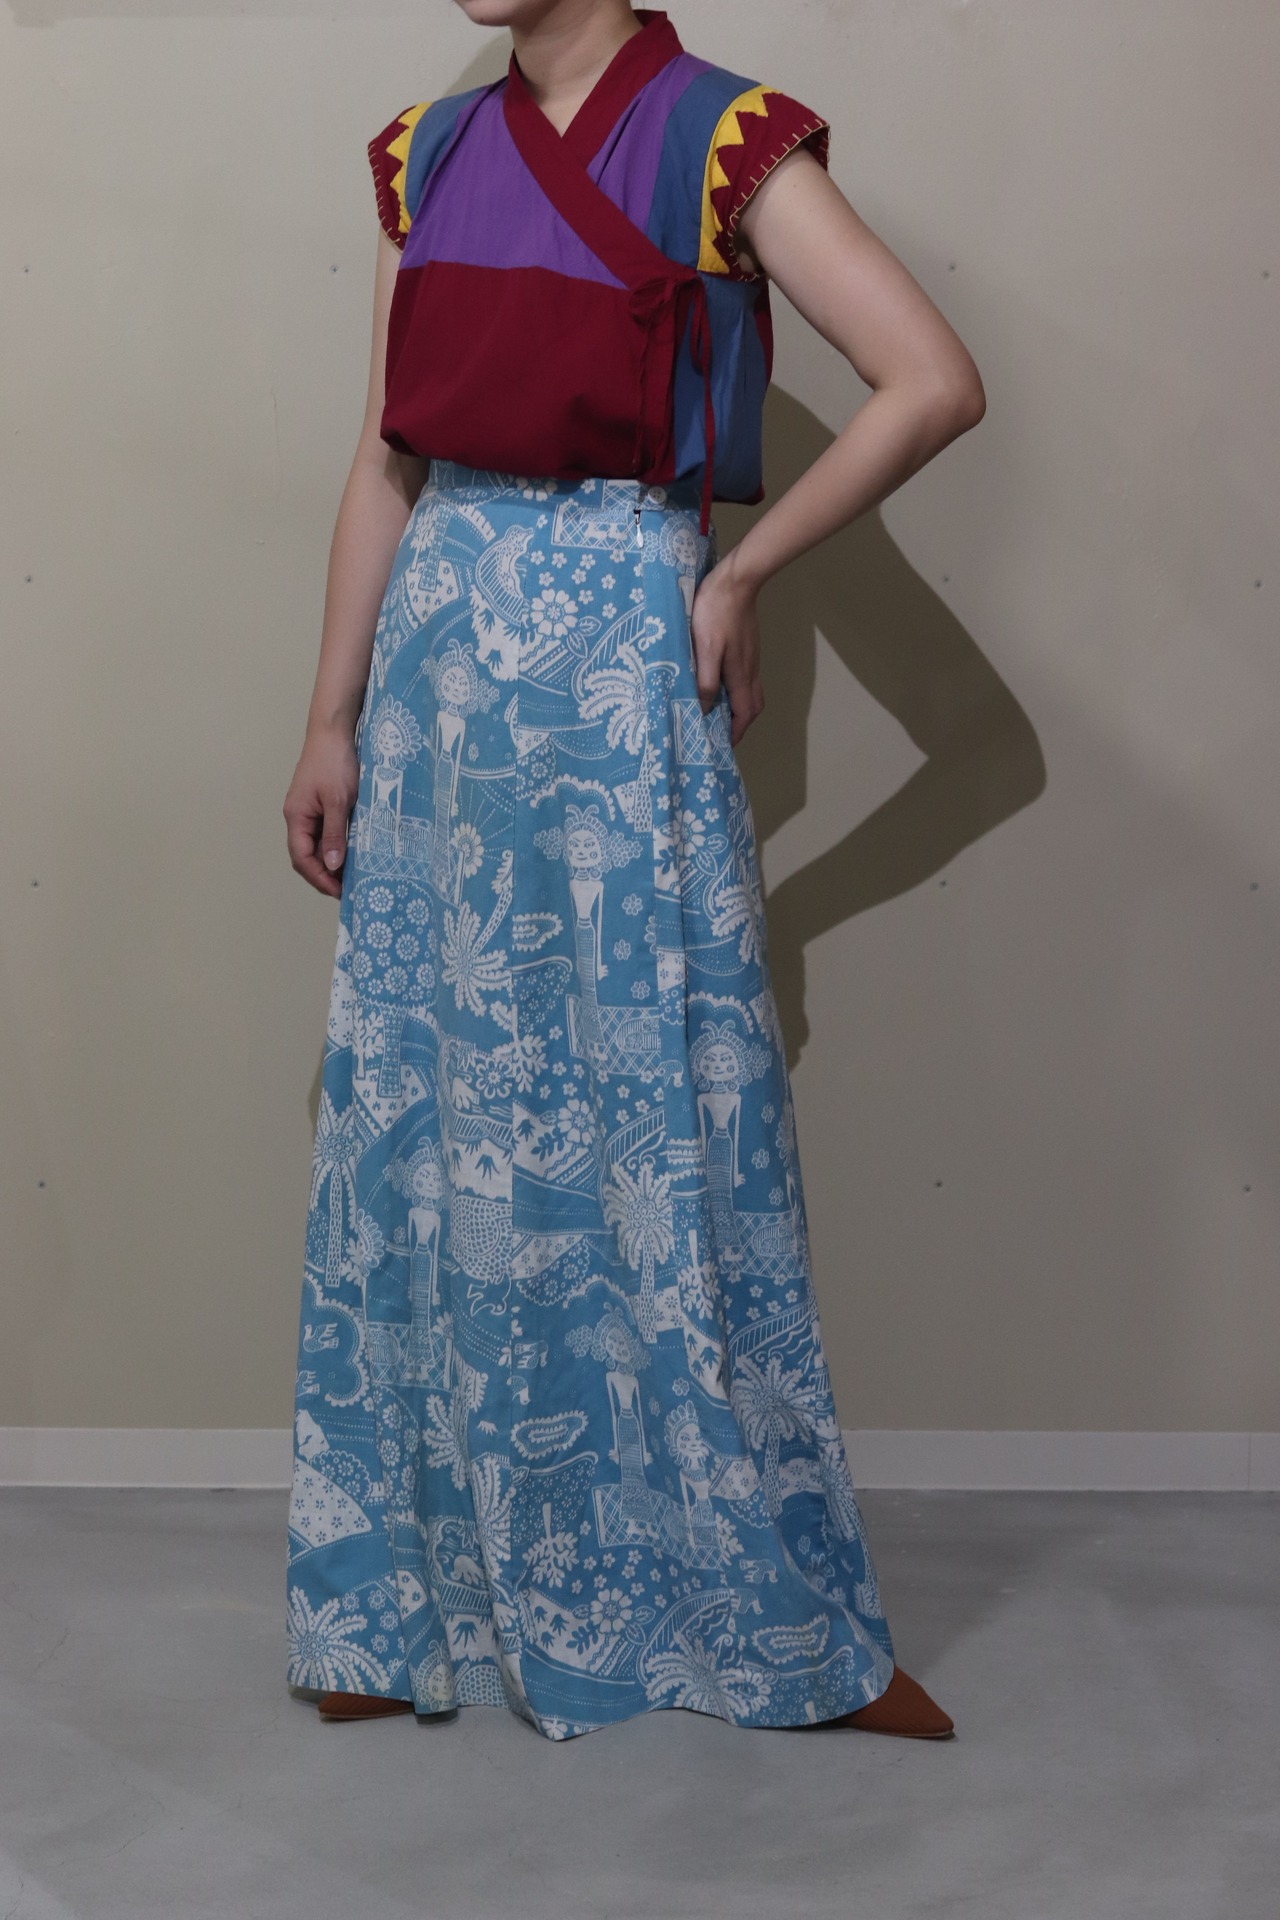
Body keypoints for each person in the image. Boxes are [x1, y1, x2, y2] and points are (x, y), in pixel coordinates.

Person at [282, 0, 984, 1744]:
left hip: (614, 657)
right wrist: (329, 716)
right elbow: (388, 458)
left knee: (658, 1104)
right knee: (431, 1109)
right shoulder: (428, 153)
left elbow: (932, 378)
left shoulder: (724, 137)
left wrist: (737, 575)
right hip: (440, 664)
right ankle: (401, 1600)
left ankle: (745, 1607)